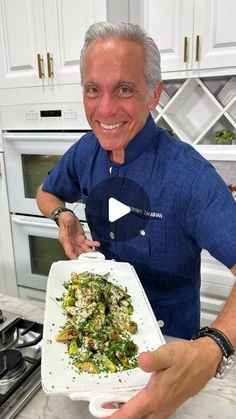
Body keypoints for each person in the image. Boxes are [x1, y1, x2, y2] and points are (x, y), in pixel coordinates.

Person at [36, 22, 236, 418]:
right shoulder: (87, 150)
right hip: (94, 331)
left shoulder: (190, 178)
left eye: (124, 89)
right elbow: (47, 193)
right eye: (93, 89)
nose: (105, 109)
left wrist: (215, 346)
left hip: (166, 351)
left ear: (153, 94)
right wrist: (64, 216)